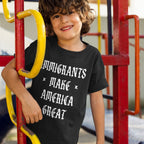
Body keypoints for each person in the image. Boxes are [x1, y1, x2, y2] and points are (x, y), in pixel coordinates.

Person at [2, 0, 108, 144]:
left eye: (70, 12)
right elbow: (8, 71)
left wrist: (100, 140)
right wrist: (26, 99)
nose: (64, 20)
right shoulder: (42, 46)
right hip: (33, 137)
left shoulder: (92, 56)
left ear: (82, 14)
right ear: (49, 22)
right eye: (56, 16)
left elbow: (96, 99)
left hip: (67, 139)